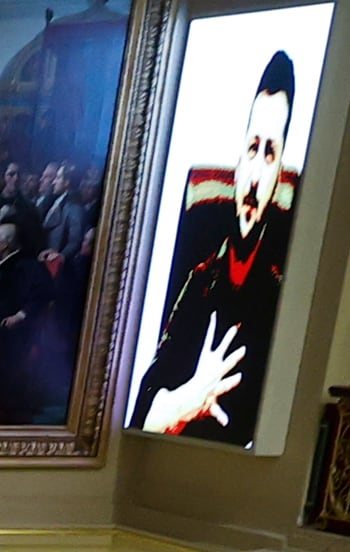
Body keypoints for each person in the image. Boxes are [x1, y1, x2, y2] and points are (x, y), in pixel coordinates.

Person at [128, 48, 299, 443]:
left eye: (270, 154)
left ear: (281, 170)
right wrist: (186, 400)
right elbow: (142, 415)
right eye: (252, 149)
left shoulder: (280, 292)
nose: (254, 177)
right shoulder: (200, 278)